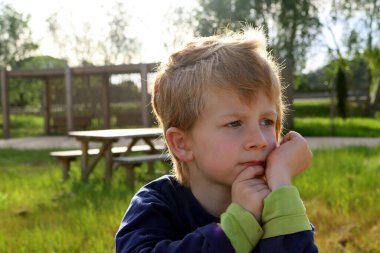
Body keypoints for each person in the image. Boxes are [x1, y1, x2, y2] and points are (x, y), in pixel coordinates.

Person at [115, 27, 318, 253]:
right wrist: (240, 224)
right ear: (182, 143)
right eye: (234, 123)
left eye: (267, 122)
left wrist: (281, 183)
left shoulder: (275, 202)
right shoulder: (155, 206)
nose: (259, 140)